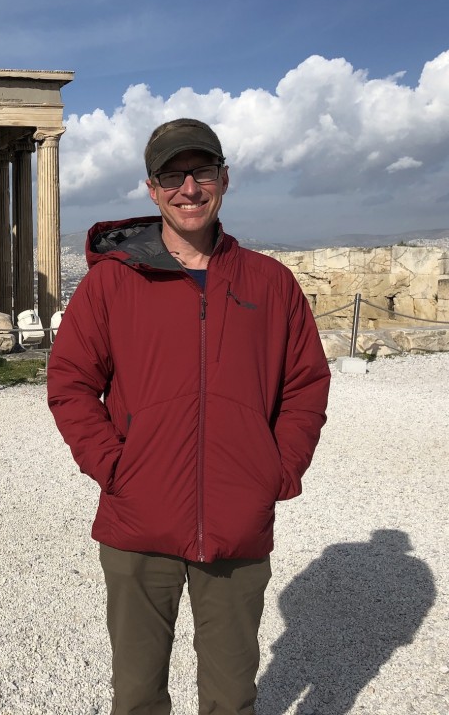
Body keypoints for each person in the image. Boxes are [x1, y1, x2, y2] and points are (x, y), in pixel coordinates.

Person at [46, 118, 331, 715]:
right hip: (138, 518)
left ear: (224, 179)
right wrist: (115, 468)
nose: (189, 188)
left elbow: (305, 383)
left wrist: (275, 471)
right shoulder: (111, 285)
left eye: (202, 172)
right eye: (172, 175)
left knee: (231, 698)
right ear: (151, 190)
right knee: (137, 697)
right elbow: (71, 383)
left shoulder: (271, 283)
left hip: (236, 521)